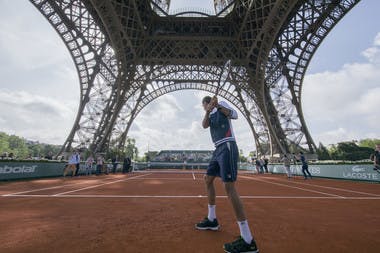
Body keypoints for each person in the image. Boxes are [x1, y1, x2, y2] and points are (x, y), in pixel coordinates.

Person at [195, 96, 259, 253]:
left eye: (206, 106)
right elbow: (204, 125)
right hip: (217, 149)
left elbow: (234, 115)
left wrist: (217, 106)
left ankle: (248, 239)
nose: (205, 108)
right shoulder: (209, 113)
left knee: (229, 188)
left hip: (228, 145)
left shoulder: (221, 105)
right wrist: (208, 111)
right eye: (204, 107)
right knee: (207, 179)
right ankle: (212, 219)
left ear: (210, 102)